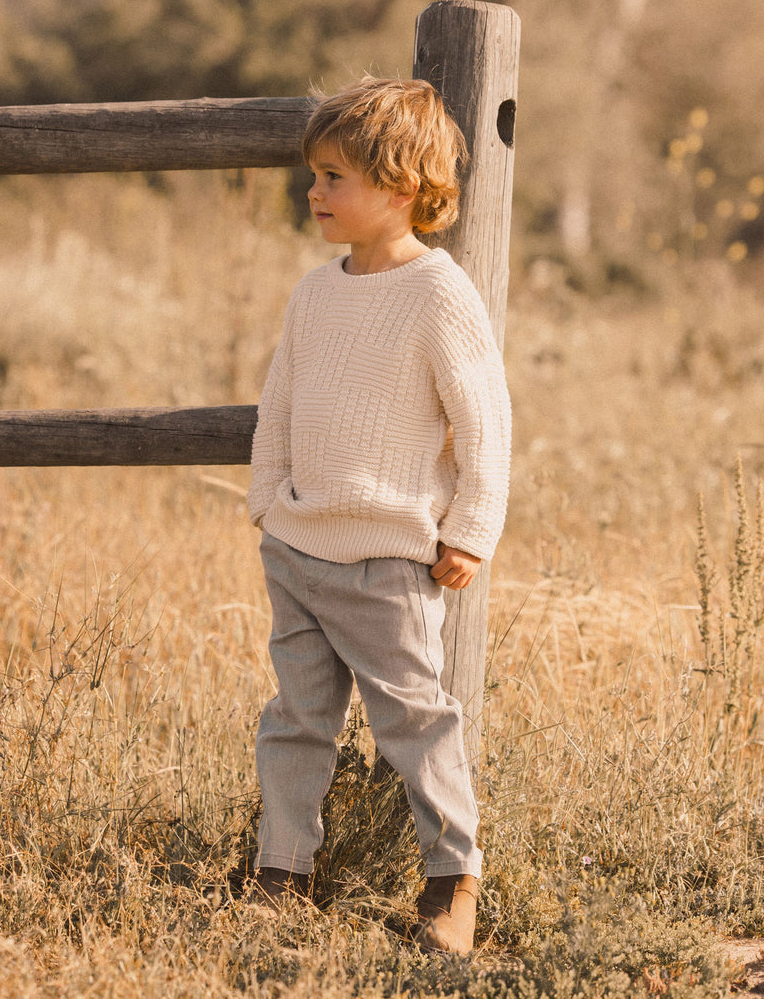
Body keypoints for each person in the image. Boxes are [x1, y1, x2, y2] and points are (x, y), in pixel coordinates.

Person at [246, 76, 511, 955]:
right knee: (294, 718)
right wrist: (265, 504)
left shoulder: (439, 295)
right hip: (299, 548)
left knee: (416, 721)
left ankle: (452, 882)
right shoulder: (315, 293)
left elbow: (485, 423)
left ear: (400, 188)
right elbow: (277, 407)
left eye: (333, 178)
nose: (314, 192)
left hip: (391, 562)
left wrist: (471, 529)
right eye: (314, 175)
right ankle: (280, 872)